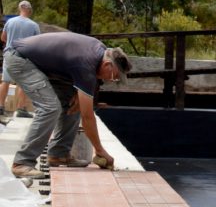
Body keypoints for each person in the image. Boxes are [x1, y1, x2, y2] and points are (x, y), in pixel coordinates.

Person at [6, 32, 131, 178]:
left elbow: (93, 82)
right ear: (108, 64)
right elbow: (88, 117)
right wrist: (99, 150)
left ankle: (59, 154)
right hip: (20, 59)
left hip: (44, 66)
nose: (111, 80)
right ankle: (22, 163)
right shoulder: (86, 62)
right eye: (114, 77)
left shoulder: (102, 52)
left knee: (74, 104)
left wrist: (82, 93)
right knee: (50, 108)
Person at [0, 0, 40, 124]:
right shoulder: (33, 25)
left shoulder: (10, 22)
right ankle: (21, 109)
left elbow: (3, 38)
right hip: (24, 56)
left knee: (5, 82)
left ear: (19, 9)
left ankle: (1, 107)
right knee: (23, 84)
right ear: (29, 10)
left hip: (9, 54)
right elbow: (37, 42)